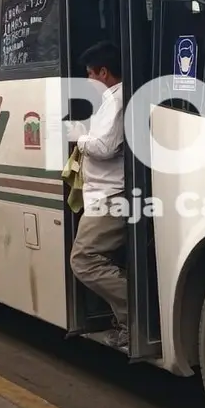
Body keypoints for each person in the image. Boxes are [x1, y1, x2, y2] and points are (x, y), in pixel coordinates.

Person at [67, 41, 129, 347]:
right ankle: (126, 319)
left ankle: (136, 308)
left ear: (103, 73)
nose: (87, 80)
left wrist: (79, 140)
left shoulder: (118, 102)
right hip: (103, 193)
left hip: (110, 196)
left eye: (90, 74)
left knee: (84, 260)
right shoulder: (112, 99)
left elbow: (104, 147)